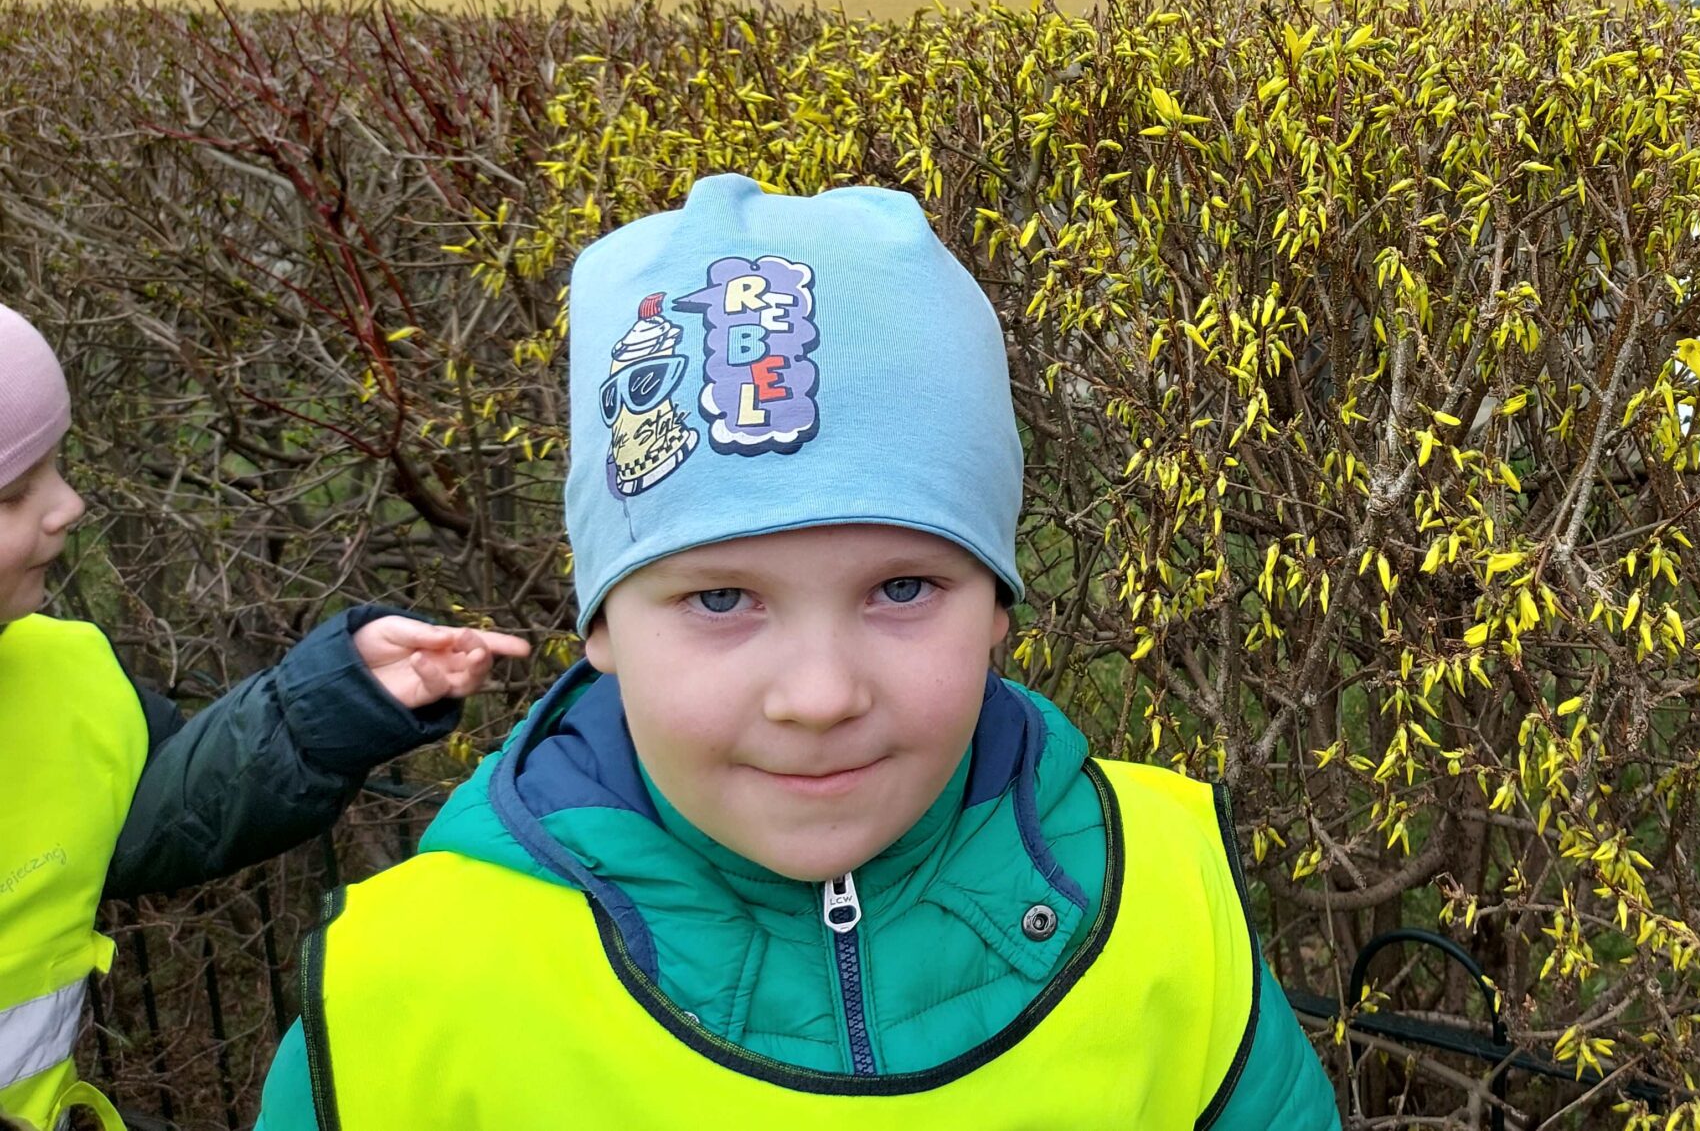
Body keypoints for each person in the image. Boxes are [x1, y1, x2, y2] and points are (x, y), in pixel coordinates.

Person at [255, 174, 1339, 1128]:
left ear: (997, 608)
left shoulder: (1165, 899)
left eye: (902, 588)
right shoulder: (403, 993)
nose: (819, 696)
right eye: (720, 597)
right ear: (603, 626)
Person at [0, 303, 529, 1131]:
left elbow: (172, 806)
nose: (67, 505)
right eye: (12, 494)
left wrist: (340, 698)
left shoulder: (65, 676)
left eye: (57, 466)